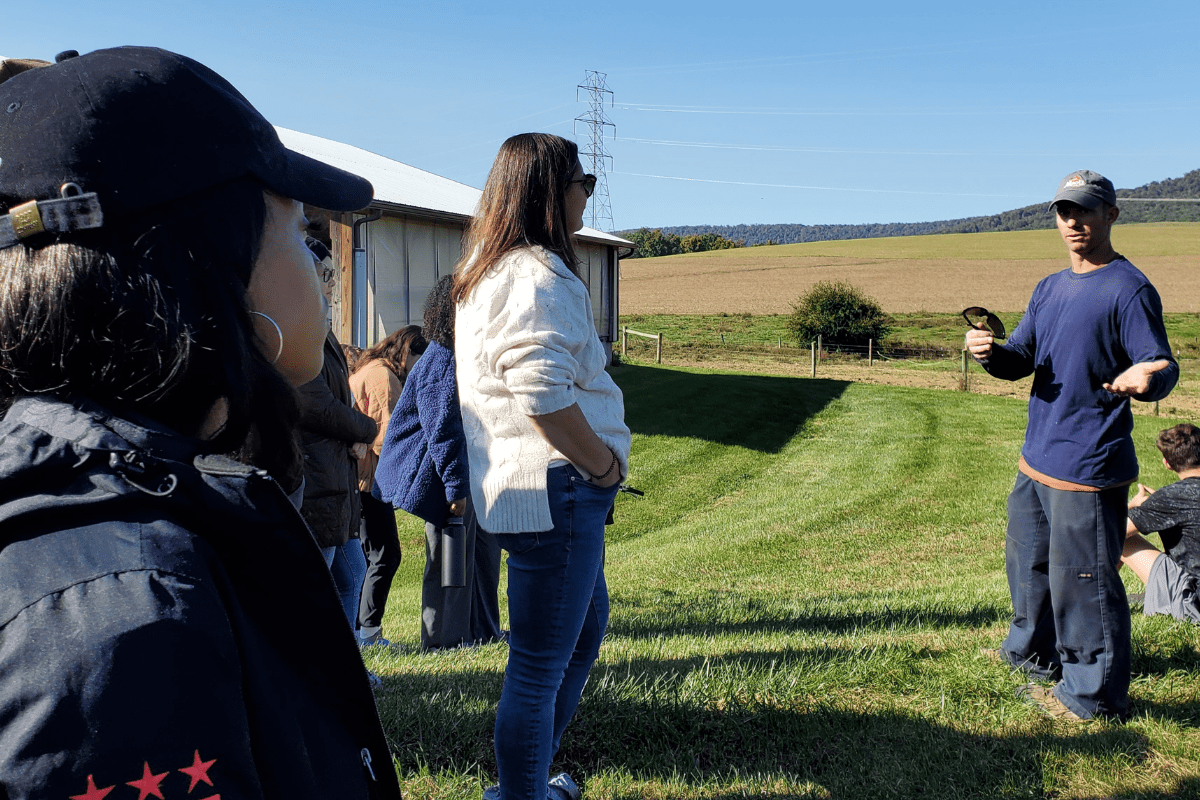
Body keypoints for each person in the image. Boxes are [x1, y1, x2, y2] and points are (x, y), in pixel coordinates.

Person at [0, 46, 401, 798]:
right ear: (211, 258)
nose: (320, 263)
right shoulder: (133, 619)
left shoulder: (120, 514)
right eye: (302, 230)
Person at [453, 133, 630, 800]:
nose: (589, 193)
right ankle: (520, 795)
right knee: (538, 664)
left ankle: (524, 784)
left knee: (579, 633)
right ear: (552, 193)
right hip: (559, 490)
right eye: (582, 181)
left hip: (532, 490)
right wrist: (604, 469)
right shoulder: (537, 277)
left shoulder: (488, 270)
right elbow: (542, 395)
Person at [967, 169, 1178, 721]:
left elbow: (1161, 361)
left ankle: (1092, 695)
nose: (1073, 221)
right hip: (1037, 458)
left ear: (1111, 214)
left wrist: (1147, 379)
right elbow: (1021, 359)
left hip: (1089, 464)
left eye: (1085, 210)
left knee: (1084, 583)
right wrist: (991, 353)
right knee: (1029, 568)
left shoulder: (1129, 289)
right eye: (1064, 211)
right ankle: (1032, 656)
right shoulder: (1051, 286)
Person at [376, 276, 503, 651]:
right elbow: (443, 430)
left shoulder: (459, 356)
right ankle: (443, 640)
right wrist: (456, 490)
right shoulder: (441, 359)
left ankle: (483, 631)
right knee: (450, 562)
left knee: (482, 555)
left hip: (468, 476)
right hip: (441, 481)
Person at [296, 253, 378, 630]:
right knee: (320, 586)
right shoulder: (297, 327)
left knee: (351, 573)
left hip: (333, 474)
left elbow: (335, 402)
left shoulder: (319, 327)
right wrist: (364, 431)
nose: (332, 281)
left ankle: (349, 669)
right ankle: (327, 677)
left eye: (333, 272)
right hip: (314, 475)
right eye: (324, 273)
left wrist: (356, 438)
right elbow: (316, 404)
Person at [348, 324, 428, 646]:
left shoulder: (372, 368)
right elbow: (388, 438)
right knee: (385, 554)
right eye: (418, 360)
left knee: (370, 556)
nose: (418, 369)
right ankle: (367, 630)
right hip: (368, 479)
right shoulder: (384, 377)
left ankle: (361, 629)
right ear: (407, 352)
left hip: (359, 476)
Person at [1121, 424, 1200, 623]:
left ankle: (1090, 598)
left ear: (1167, 463)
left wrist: (1131, 508)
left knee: (1121, 540)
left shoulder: (1172, 497)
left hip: (1193, 602)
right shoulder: (1171, 500)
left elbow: (1112, 532)